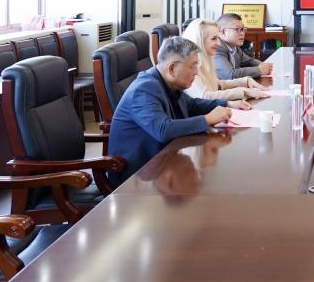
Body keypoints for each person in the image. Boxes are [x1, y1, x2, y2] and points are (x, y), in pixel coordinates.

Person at [107, 36, 251, 184]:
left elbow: (192, 105)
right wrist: (208, 119)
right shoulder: (144, 89)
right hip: (136, 176)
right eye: (193, 66)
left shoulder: (166, 82)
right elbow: (163, 130)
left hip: (161, 161)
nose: (196, 72)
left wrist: (227, 103)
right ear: (172, 68)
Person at [182, 18, 267, 101]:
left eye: (218, 38)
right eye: (214, 38)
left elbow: (218, 84)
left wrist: (245, 81)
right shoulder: (190, 66)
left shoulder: (206, 60)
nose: (218, 43)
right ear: (198, 40)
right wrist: (242, 91)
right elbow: (205, 96)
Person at [214, 13, 274, 79]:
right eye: (237, 29)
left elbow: (250, 61)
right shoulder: (217, 48)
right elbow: (230, 75)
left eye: (243, 29)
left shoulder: (235, 47)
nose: (242, 33)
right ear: (223, 32)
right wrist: (259, 70)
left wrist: (266, 66)